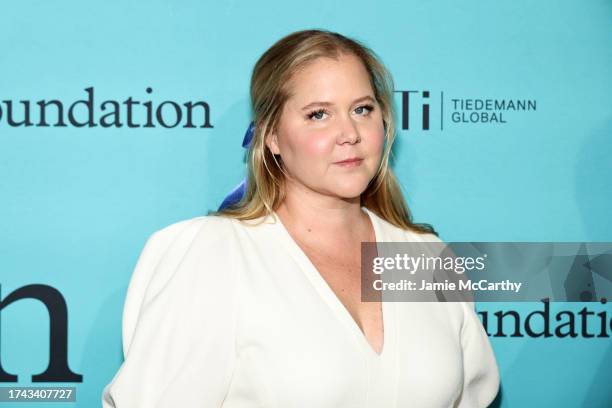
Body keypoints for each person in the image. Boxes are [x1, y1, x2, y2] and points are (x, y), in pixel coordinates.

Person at [101, 29, 500, 407]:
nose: (350, 133)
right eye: (318, 115)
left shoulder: (425, 259)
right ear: (272, 136)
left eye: (362, 109)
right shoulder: (215, 253)